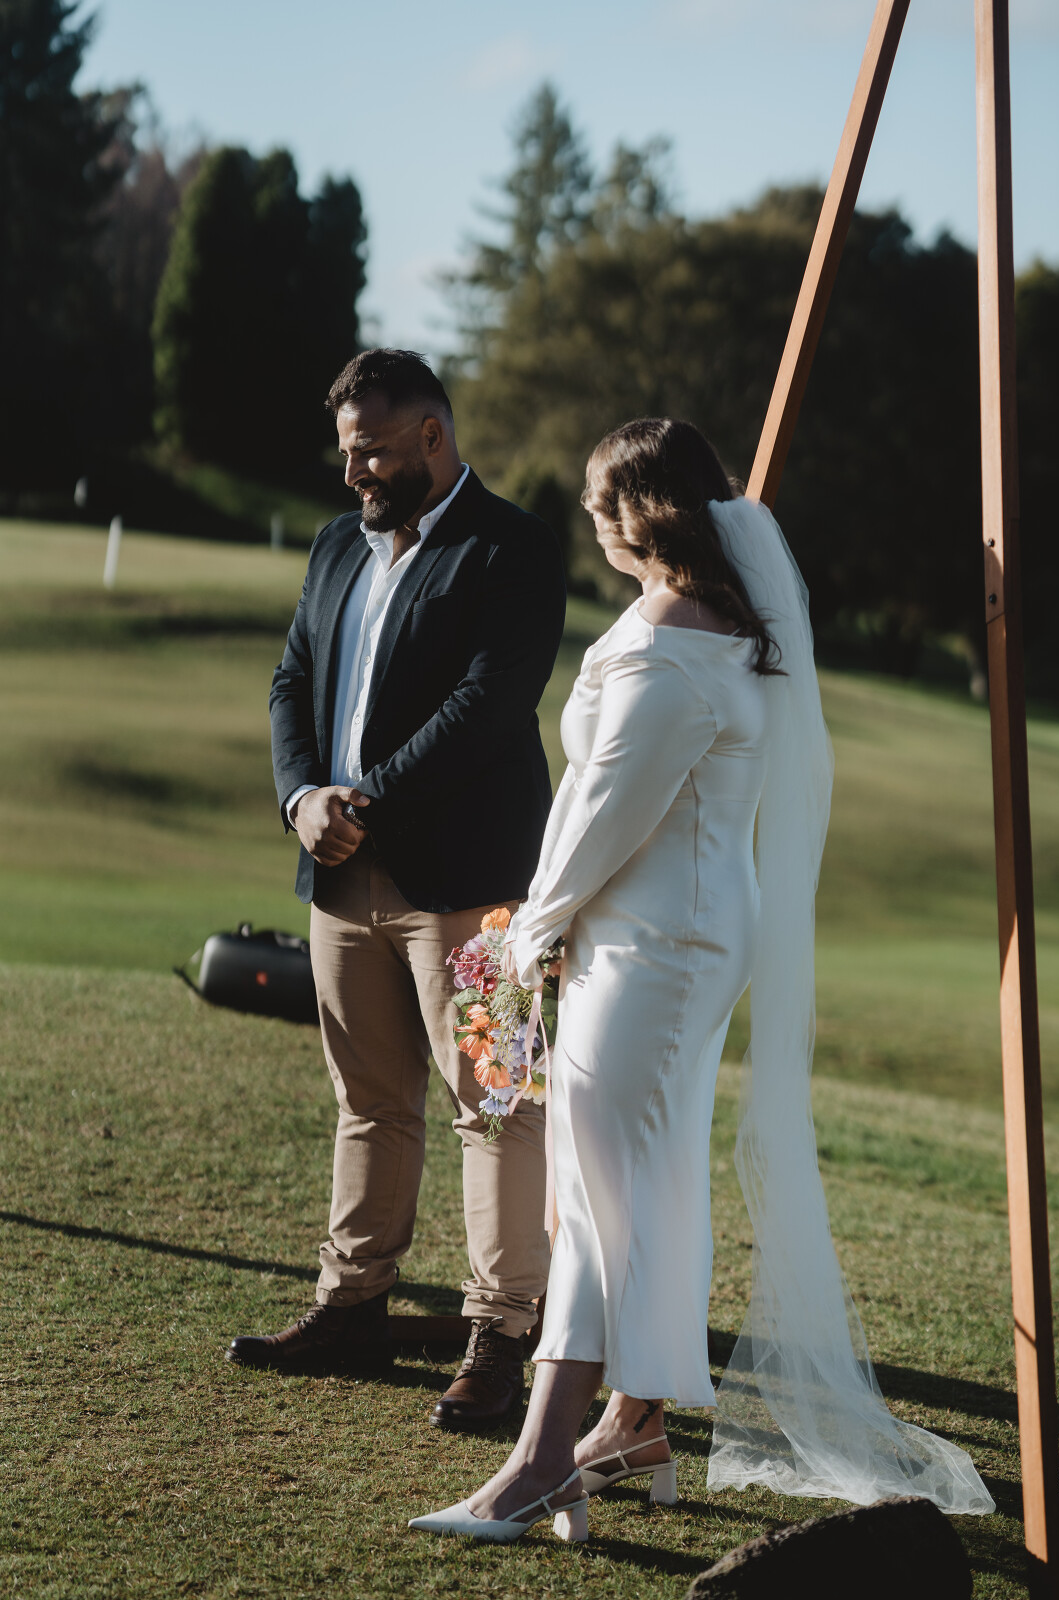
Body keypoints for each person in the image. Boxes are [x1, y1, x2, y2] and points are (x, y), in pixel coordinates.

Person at [409, 418, 994, 1541]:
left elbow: (603, 813)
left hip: (653, 945)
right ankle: (630, 1421)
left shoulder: (675, 650)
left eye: (598, 503)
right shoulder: (714, 621)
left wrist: (526, 936)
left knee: (598, 1190)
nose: (589, 521)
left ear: (636, 513)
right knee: (646, 1176)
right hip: (669, 933)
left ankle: (540, 1460)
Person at [227, 349, 567, 1435]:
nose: (353, 474)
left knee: (498, 1105)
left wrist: (361, 799)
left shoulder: (515, 547)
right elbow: (291, 678)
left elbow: (489, 702)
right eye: (345, 453)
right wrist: (300, 798)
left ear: (432, 435)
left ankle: (501, 1336)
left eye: (371, 451)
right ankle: (352, 1306)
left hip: (478, 889)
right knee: (368, 1100)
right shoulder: (336, 543)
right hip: (337, 880)